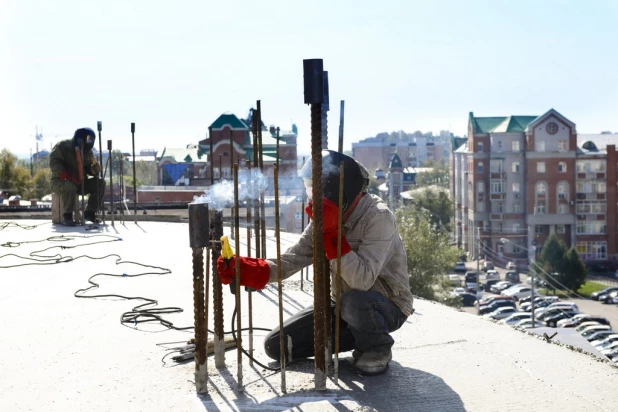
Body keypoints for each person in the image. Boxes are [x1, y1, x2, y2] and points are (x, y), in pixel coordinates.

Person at [217, 150, 413, 375]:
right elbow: (294, 258)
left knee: (353, 301)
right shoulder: (328, 216)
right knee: (278, 345)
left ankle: (377, 348)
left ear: (339, 185)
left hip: (386, 306)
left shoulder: (378, 217)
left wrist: (332, 234)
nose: (312, 194)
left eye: (316, 186)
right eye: (309, 186)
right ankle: (355, 335)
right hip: (341, 303)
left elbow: (361, 281)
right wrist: (251, 270)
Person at [50, 128, 105, 226]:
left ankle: (90, 213)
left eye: (92, 140)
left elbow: (89, 167)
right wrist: (68, 176)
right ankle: (67, 216)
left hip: (79, 182)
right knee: (70, 186)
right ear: (81, 139)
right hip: (60, 181)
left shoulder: (87, 152)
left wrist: (94, 170)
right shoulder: (62, 146)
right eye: (89, 139)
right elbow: (54, 163)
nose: (91, 142)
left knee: (100, 183)